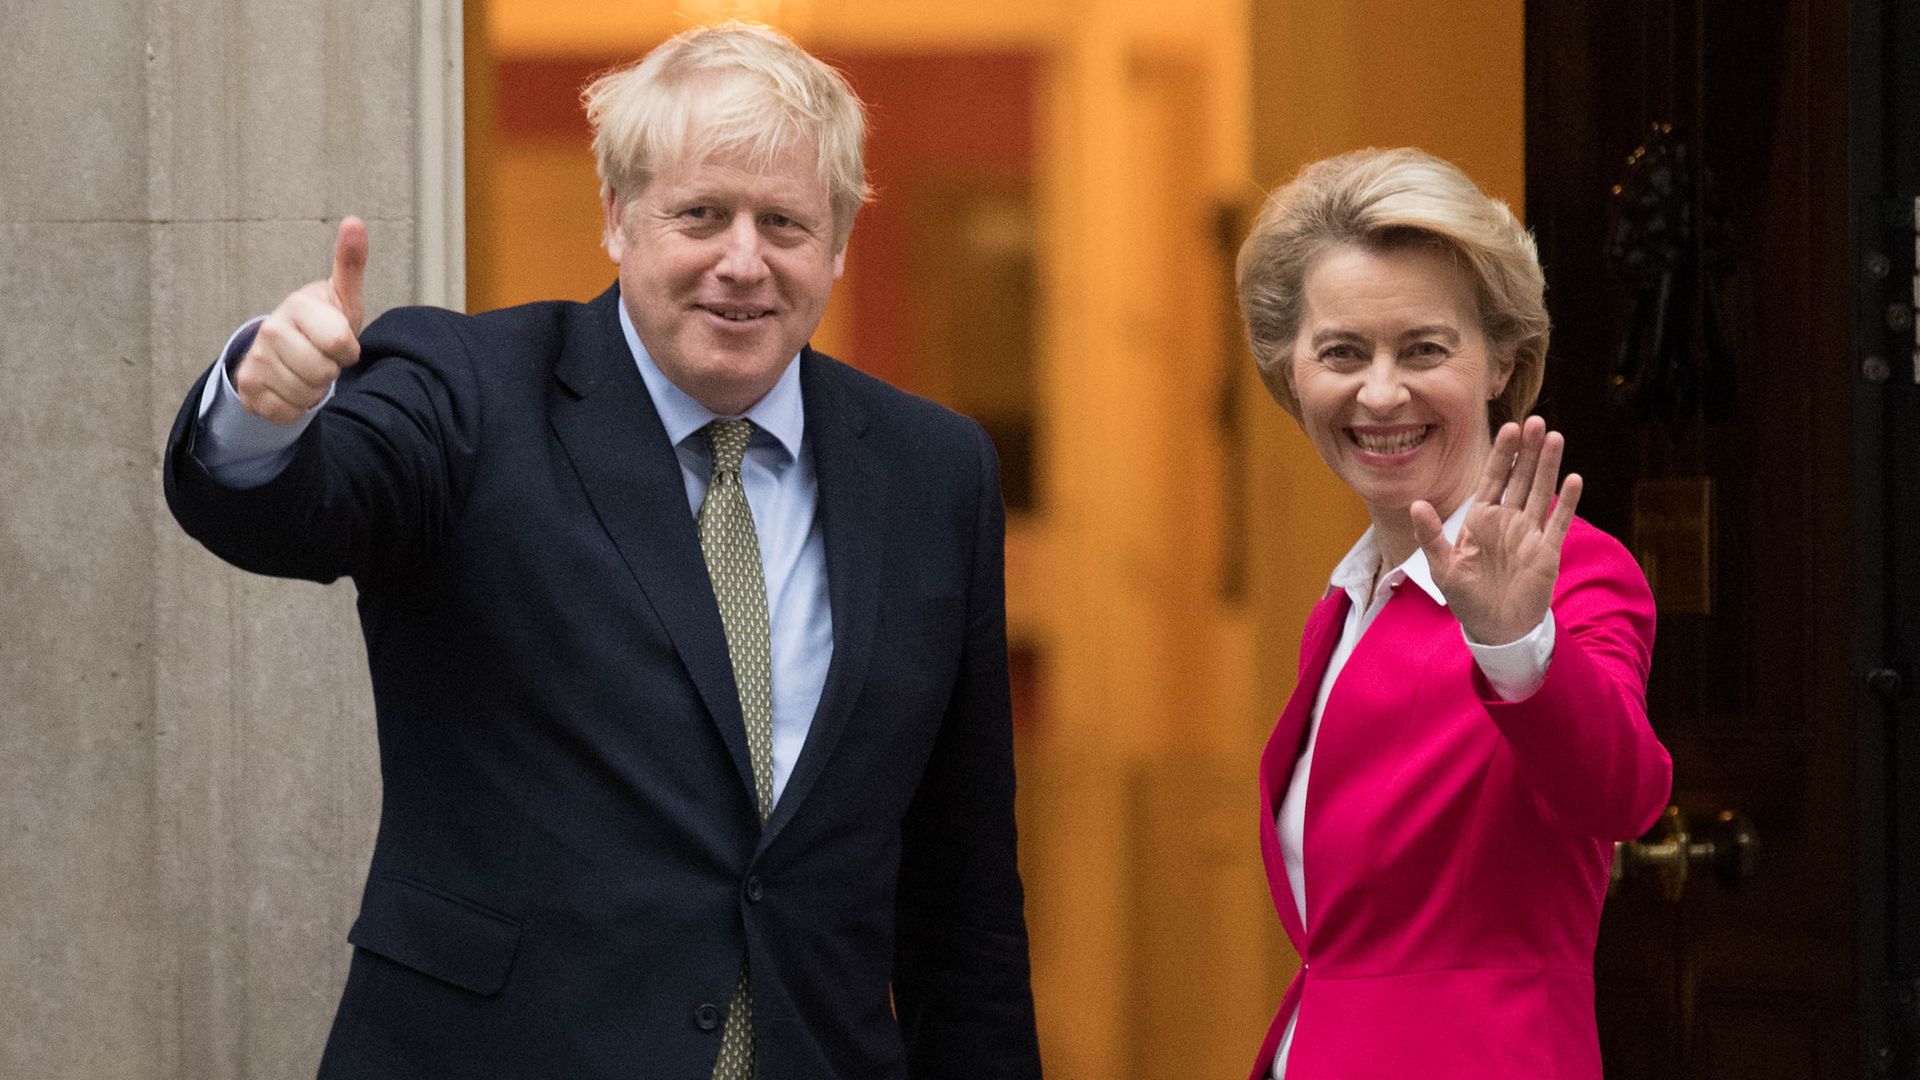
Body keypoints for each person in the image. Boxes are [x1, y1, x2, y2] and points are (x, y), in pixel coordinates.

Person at [162, 23, 1041, 1080]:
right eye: (702, 215)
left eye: (786, 223)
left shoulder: (933, 472)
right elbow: (295, 507)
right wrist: (267, 413)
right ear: (618, 218)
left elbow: (964, 901)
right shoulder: (474, 392)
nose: (743, 262)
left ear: (841, 241)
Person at [1233, 147, 1672, 1079]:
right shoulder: (1349, 602)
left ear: (1501, 361)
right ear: (1290, 371)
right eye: (1342, 352)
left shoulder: (1573, 573)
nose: (1380, 392)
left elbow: (1623, 794)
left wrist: (1515, 642)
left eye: (1424, 349)